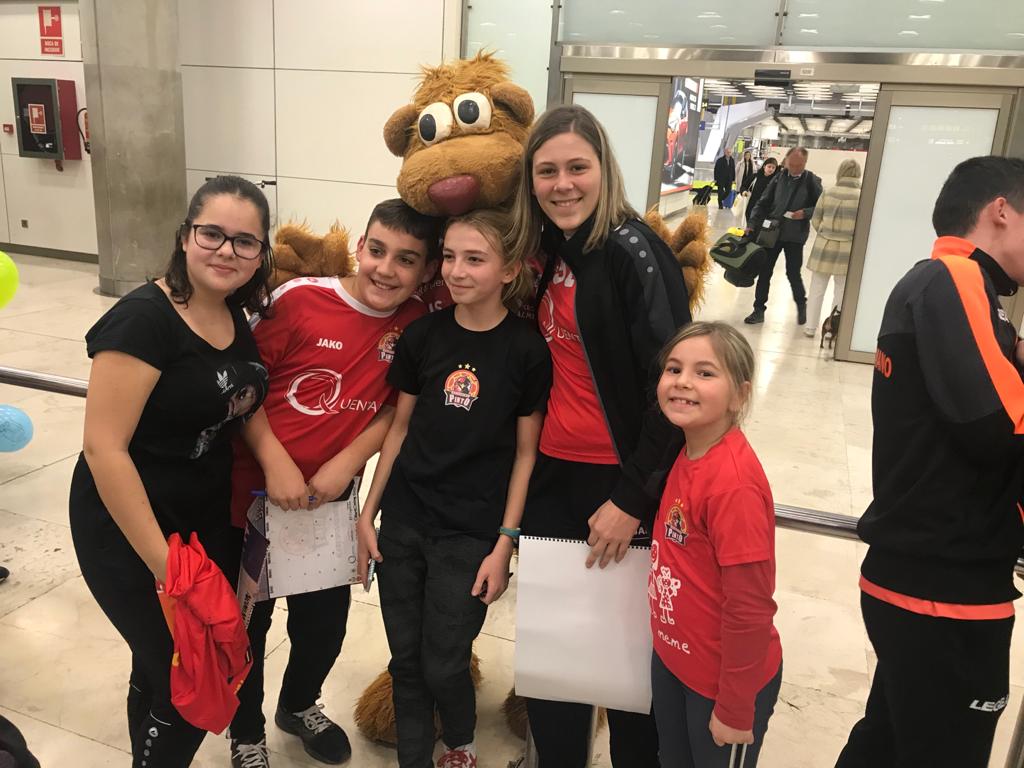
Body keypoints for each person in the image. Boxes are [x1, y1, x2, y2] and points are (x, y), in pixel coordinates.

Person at [226, 199, 442, 768]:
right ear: (360, 246)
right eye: (377, 251)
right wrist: (274, 461)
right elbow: (242, 389)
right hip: (250, 500)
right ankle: (244, 732)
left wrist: (347, 462)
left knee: (324, 625)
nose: (385, 270)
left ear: (426, 270)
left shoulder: (418, 322)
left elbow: (397, 408)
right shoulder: (299, 301)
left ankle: (299, 705)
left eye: (406, 260)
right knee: (248, 625)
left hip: (330, 504)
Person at [508, 103, 692, 767]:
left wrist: (632, 498)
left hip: (617, 480)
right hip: (553, 476)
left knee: (626, 676)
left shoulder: (632, 251)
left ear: (603, 170)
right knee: (557, 661)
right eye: (547, 171)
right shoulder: (549, 253)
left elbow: (677, 390)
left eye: (577, 168)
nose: (563, 184)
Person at [69, 175, 273, 767]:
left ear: (260, 253)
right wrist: (169, 569)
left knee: (158, 666)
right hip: (130, 528)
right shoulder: (143, 320)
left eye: (245, 241)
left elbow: (241, 407)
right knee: (191, 682)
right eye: (212, 234)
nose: (226, 251)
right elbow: (104, 449)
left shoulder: (232, 312)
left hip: (200, 522)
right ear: (185, 237)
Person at [835, 155, 1024, 768]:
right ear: (1001, 210)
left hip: (927, 578)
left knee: (887, 742)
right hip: (945, 588)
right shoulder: (955, 277)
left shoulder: (953, 288)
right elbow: (1000, 425)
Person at [357, 209, 551, 768]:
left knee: (444, 660)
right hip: (404, 523)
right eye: (448, 257)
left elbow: (526, 454)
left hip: (470, 535)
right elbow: (399, 429)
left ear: (509, 270)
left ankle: (461, 740)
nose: (456, 271)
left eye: (474, 259)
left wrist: (505, 543)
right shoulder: (423, 336)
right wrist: (368, 514)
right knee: (406, 662)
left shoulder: (526, 351)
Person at [648, 322, 782, 768]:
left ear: (739, 395)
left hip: (722, 683)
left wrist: (735, 707)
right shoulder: (689, 451)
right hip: (675, 662)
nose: (683, 381)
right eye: (674, 369)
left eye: (705, 373)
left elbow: (750, 606)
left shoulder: (733, 485)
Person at [744, 147, 822, 326]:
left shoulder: (811, 181)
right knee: (765, 272)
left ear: (805, 163)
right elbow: (763, 202)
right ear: (786, 161)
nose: (794, 168)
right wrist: (751, 224)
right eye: (791, 164)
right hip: (772, 233)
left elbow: (821, 206)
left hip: (795, 236)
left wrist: (805, 213)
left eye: (798, 165)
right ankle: (758, 309)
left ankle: (802, 305)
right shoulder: (778, 178)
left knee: (793, 273)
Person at [804, 160, 862, 338]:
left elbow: (815, 219)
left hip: (824, 246)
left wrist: (824, 232)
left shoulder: (828, 192)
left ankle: (810, 327)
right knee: (841, 290)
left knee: (817, 288)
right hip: (848, 248)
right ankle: (832, 330)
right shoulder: (861, 196)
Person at [744, 157, 778, 226]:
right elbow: (744, 186)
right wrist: (744, 192)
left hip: (766, 211)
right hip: (752, 207)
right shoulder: (756, 176)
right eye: (769, 166)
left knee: (760, 229)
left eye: (773, 168)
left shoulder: (776, 181)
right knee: (750, 227)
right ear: (764, 166)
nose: (771, 169)